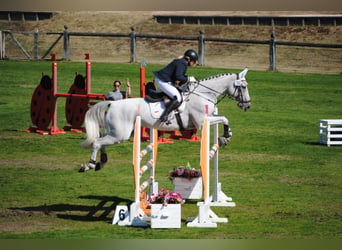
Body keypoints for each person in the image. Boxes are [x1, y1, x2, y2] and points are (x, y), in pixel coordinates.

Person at [153, 49, 198, 123]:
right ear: (190, 60)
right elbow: (178, 76)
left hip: (164, 79)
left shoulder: (182, 62)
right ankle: (164, 116)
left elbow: (177, 77)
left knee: (178, 92)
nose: (194, 64)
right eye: (194, 61)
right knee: (177, 98)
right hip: (163, 80)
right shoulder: (183, 63)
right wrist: (188, 78)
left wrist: (184, 81)